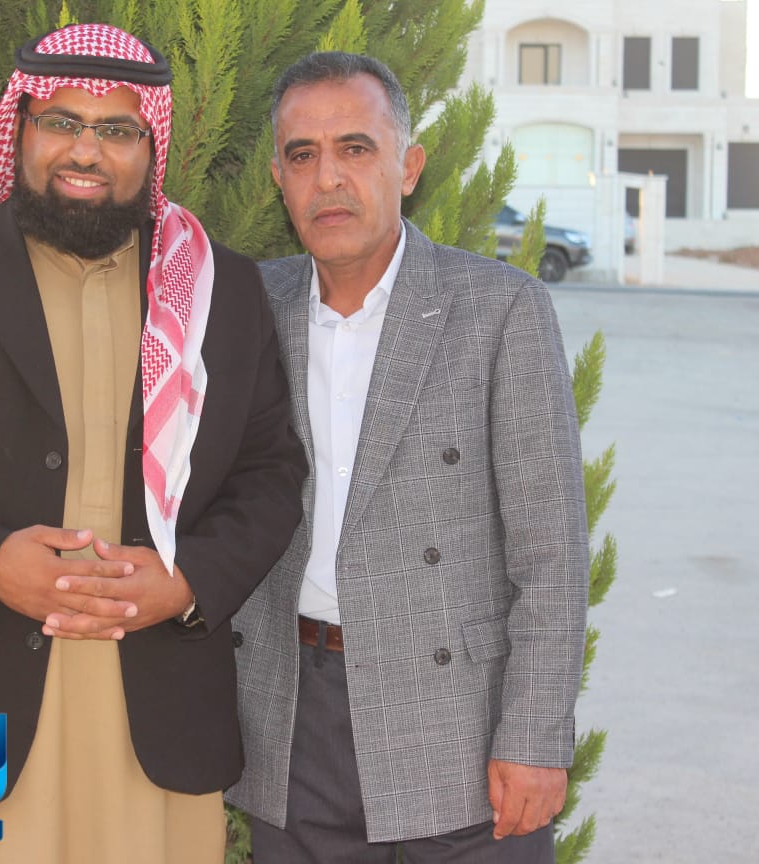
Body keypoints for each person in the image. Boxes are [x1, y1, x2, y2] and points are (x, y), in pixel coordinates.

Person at [0, 23, 305, 864]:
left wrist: (187, 581)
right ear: (20, 130)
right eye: (61, 122)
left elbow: (271, 473)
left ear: (151, 147)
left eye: (117, 130)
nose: (86, 151)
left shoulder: (221, 291)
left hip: (153, 711)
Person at [222, 52, 590, 863]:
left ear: (409, 166)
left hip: (461, 719)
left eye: (356, 148)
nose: (328, 179)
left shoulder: (498, 309)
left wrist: (534, 734)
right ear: (279, 179)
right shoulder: (247, 306)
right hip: (293, 714)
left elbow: (552, 550)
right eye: (302, 155)